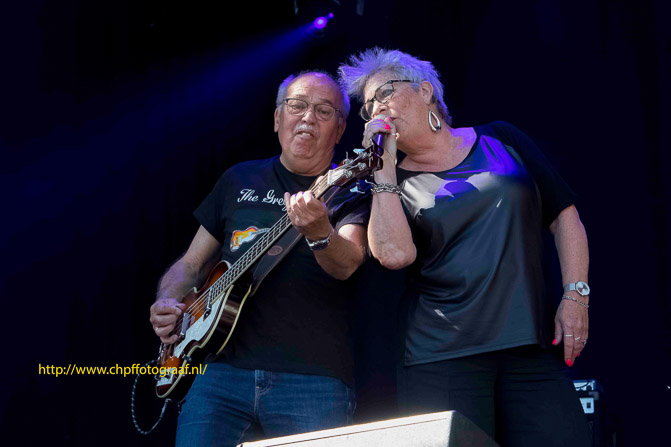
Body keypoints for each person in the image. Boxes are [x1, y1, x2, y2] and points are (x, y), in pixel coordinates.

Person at [338, 48, 591, 446]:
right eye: (368, 107)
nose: (377, 109)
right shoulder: (389, 181)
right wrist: (383, 168)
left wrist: (576, 296)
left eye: (385, 92)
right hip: (441, 354)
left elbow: (565, 217)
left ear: (424, 90)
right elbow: (394, 255)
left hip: (530, 344)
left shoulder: (500, 138)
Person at [149, 71, 369, 446]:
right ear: (277, 118)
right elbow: (191, 264)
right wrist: (168, 301)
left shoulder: (351, 190)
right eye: (296, 105)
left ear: (340, 129)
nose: (308, 117)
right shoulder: (239, 179)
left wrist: (320, 232)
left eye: (323, 110)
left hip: (312, 378)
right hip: (218, 374)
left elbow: (348, 262)